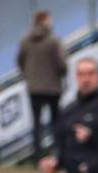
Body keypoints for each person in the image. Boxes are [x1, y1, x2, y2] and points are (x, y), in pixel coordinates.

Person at [38, 58, 98, 173]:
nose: (86, 79)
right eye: (81, 74)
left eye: (90, 73)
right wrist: (54, 161)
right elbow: (61, 145)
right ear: (76, 77)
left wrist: (93, 136)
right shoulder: (68, 110)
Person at [17, 10, 67, 163]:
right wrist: (61, 73)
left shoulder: (25, 41)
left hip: (34, 88)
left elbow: (20, 61)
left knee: (36, 124)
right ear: (44, 21)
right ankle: (58, 154)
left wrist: (29, 76)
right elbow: (61, 64)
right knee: (56, 122)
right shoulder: (53, 41)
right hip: (52, 88)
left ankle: (37, 157)